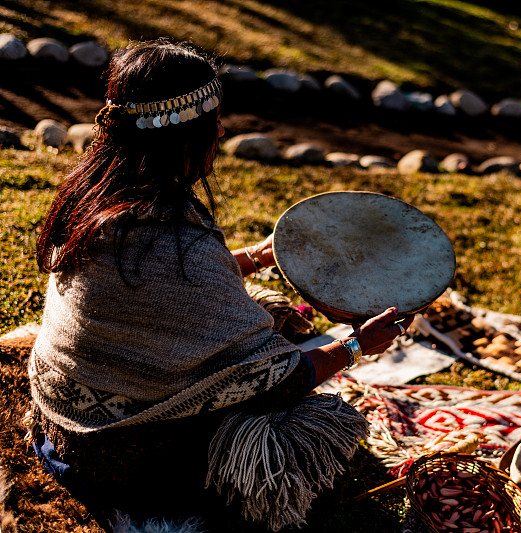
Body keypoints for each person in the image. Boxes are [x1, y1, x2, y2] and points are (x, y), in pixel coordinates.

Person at [27, 39, 413, 531]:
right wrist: (358, 344)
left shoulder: (97, 196)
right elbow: (275, 380)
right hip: (125, 460)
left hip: (61, 421)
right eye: (214, 124)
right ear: (188, 139)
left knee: (270, 322)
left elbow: (167, 291)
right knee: (306, 425)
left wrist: (264, 254)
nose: (222, 131)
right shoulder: (171, 241)